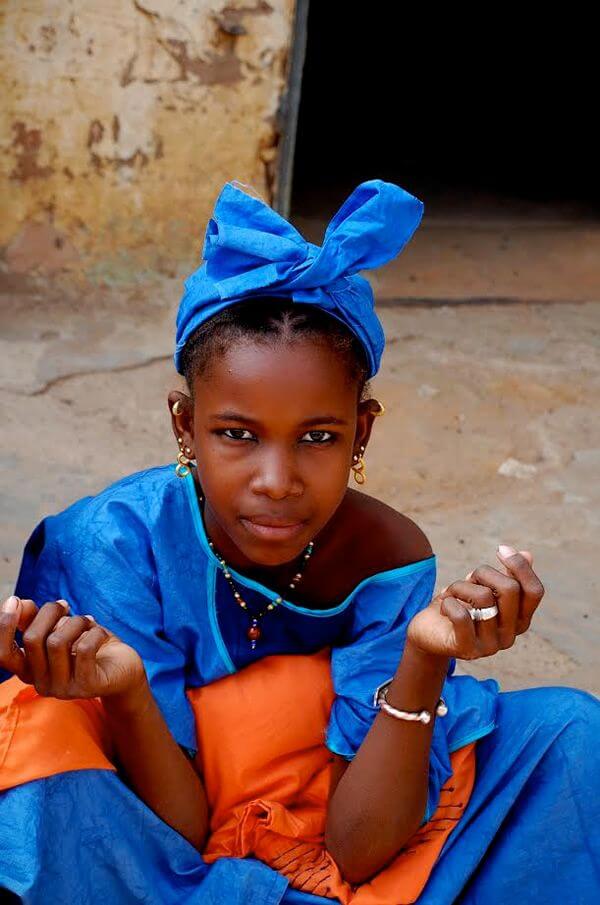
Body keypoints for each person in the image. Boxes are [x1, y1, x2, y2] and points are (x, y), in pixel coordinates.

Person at [0, 180, 598, 905]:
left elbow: (358, 847)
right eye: (236, 435)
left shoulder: (386, 554)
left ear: (363, 433)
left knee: (572, 737)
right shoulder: (112, 541)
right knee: (34, 750)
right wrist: (125, 689)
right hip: (148, 820)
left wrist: (423, 655)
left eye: (318, 437)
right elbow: (179, 828)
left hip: (324, 806)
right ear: (184, 428)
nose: (277, 480)